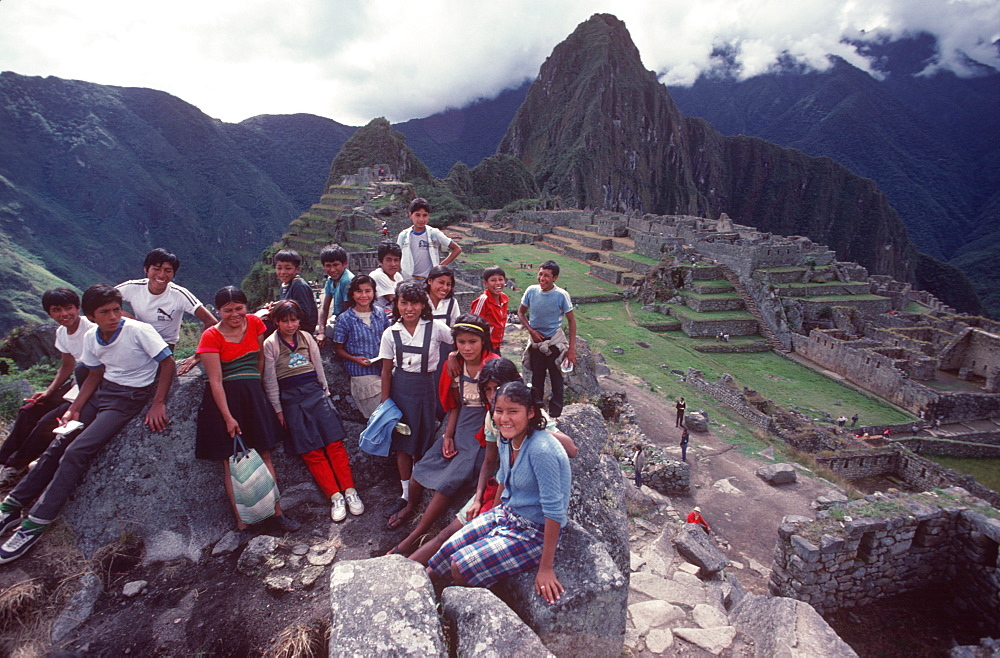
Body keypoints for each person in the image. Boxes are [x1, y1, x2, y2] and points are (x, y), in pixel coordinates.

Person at [0, 285, 175, 563]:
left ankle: (37, 521)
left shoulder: (138, 331)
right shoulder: (93, 336)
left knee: (76, 451)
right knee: (57, 444)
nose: (114, 316)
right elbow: (94, 375)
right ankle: (12, 505)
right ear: (91, 317)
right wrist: (75, 409)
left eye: (116, 309)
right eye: (104, 312)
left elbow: (167, 363)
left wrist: (158, 402)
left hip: (128, 398)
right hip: (103, 392)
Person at [407, 359, 576, 566]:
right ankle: (406, 563)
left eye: (498, 387)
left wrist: (532, 426)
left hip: (517, 496)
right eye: (487, 389)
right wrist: (478, 498)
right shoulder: (494, 417)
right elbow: (489, 461)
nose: (493, 394)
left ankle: (417, 566)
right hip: (499, 485)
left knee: (457, 543)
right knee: (448, 533)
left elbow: (571, 449)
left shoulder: (528, 417)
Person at [427, 381, 572, 605]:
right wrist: (490, 521)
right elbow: (503, 478)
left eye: (513, 411)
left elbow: (555, 511)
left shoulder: (542, 449)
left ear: (531, 412)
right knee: (441, 558)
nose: (504, 418)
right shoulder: (507, 438)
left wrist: (546, 568)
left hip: (534, 532)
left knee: (460, 566)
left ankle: (451, 608)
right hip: (506, 514)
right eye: (499, 411)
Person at [387, 315, 496, 542]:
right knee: (420, 471)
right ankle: (410, 506)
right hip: (461, 425)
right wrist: (447, 436)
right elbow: (454, 406)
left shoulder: (494, 365)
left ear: (484, 341)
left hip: (484, 431)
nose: (466, 348)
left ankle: (415, 536)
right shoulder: (453, 366)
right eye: (461, 342)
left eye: (473, 342)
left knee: (447, 483)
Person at [194, 287, 294, 532]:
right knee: (232, 462)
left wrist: (257, 391)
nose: (234, 314)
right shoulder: (211, 336)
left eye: (239, 308)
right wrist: (228, 417)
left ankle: (276, 513)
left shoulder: (254, 324)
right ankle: (243, 522)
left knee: (266, 454)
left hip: (252, 396)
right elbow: (215, 381)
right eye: (227, 310)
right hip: (225, 402)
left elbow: (259, 359)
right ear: (218, 311)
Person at [263, 301, 362, 522]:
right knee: (311, 450)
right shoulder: (270, 344)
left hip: (315, 394)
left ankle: (350, 491)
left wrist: (325, 394)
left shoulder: (306, 338)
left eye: (294, 319)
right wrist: (278, 410)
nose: (290, 325)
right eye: (284, 320)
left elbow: (318, 368)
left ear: (299, 320)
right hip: (290, 399)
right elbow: (270, 380)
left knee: (334, 443)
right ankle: (334, 496)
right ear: (276, 322)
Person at [0, 289, 95, 486]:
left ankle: (15, 466)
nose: (64, 314)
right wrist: (49, 392)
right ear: (49, 313)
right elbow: (67, 365)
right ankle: (3, 460)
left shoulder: (91, 328)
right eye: (56, 310)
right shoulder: (62, 332)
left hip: (92, 385)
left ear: (78, 308)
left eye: (69, 308)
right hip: (75, 384)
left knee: (47, 422)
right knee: (29, 410)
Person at [378, 281, 453, 516]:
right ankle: (405, 493)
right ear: (396, 304)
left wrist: (452, 356)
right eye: (404, 303)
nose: (409, 308)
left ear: (423, 305)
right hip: (401, 389)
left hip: (425, 388)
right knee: (403, 444)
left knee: (423, 438)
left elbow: (460, 342)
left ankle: (419, 488)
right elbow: (386, 370)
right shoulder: (391, 333)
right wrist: (385, 403)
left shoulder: (436, 328)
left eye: (414, 303)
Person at [115, 247, 216, 371]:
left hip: (164, 350)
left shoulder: (179, 294)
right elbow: (100, 300)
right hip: (136, 342)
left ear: (173, 273)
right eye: (156, 269)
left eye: (167, 270)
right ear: (146, 269)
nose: (161, 275)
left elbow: (211, 322)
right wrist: (127, 317)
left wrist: (198, 355)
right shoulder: (133, 287)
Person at [517, 260, 576, 418]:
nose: (542, 278)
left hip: (554, 343)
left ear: (555, 278)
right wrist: (531, 330)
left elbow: (571, 321)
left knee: (557, 380)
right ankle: (537, 412)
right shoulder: (531, 291)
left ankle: (556, 415)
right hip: (537, 344)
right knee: (537, 379)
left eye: (547, 276)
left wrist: (571, 350)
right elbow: (521, 313)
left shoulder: (561, 295)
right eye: (540, 274)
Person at [332, 275, 391, 419]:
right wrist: (354, 359)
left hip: (383, 368)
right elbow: (338, 349)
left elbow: (389, 339)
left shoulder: (380, 314)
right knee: (379, 416)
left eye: (367, 291)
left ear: (373, 293)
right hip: (361, 373)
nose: (363, 295)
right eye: (359, 291)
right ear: (352, 294)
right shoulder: (345, 319)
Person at [395, 197, 462, 280]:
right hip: (408, 280)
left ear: (429, 216)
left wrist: (439, 267)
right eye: (417, 215)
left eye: (425, 215)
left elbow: (457, 249)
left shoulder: (434, 233)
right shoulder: (403, 236)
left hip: (429, 281)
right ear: (410, 215)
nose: (421, 219)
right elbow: (397, 258)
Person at [315, 244, 354, 346]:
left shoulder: (347, 280)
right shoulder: (330, 280)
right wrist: (321, 331)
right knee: (318, 332)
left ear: (345, 264)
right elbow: (324, 308)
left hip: (350, 320)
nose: (332, 269)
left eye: (336, 265)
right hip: (338, 317)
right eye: (328, 265)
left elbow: (347, 312)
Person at [273, 249, 318, 335]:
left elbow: (304, 314)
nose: (283, 272)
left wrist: (276, 311)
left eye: (288, 268)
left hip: (302, 331)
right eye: (279, 268)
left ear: (297, 269)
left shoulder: (299, 286)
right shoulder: (285, 286)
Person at [470, 266, 508, 354]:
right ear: (486, 283)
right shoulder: (483, 300)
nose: (498, 283)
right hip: (485, 346)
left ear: (505, 281)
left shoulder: (504, 299)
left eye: (500, 279)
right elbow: (472, 325)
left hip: (496, 345)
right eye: (493, 280)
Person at [370, 241, 404, 313]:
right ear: (380, 262)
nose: (393, 264)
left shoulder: (398, 276)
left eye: (396, 260)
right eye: (388, 260)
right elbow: (394, 300)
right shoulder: (377, 275)